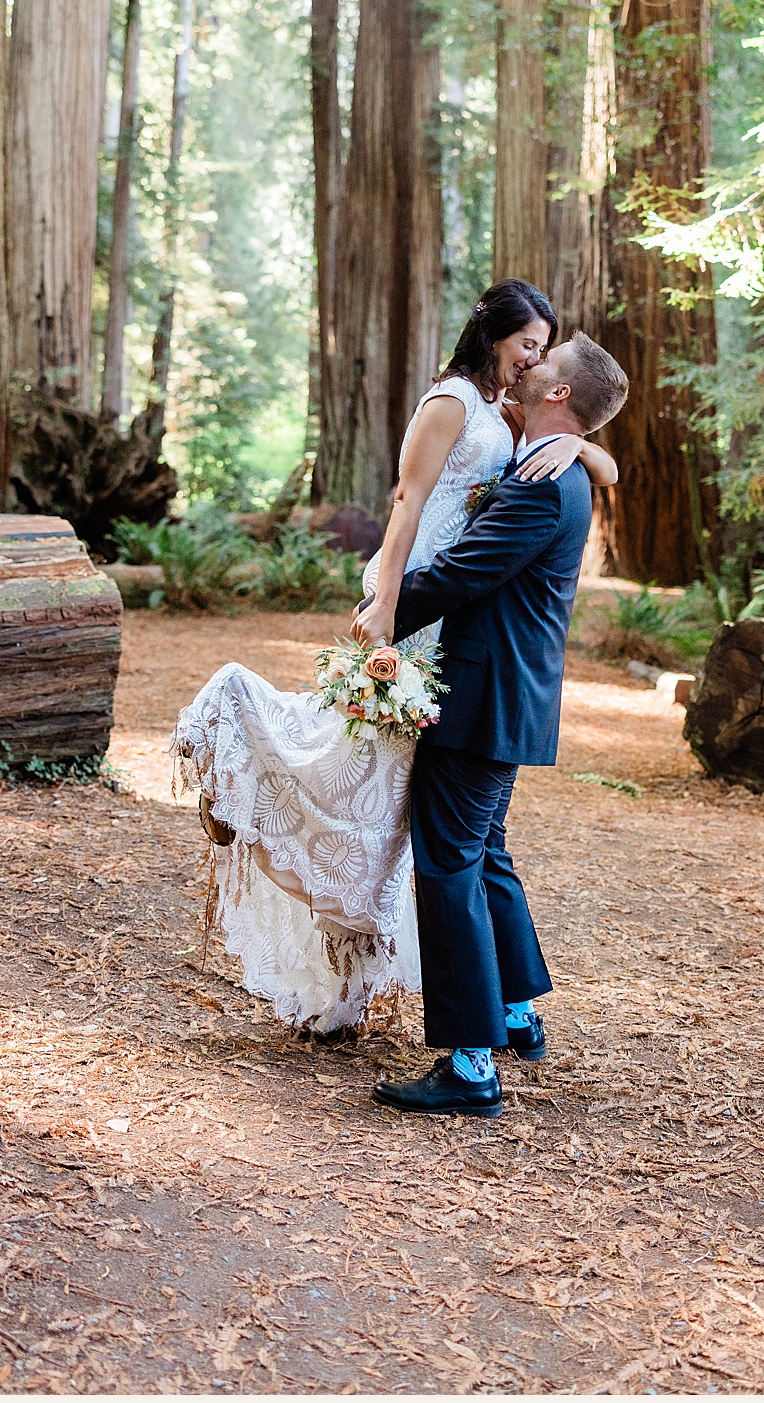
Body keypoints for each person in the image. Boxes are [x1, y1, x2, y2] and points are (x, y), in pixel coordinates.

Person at [173, 281, 618, 1035]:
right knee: (391, 801)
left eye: (544, 351)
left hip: (454, 623)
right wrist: (384, 602)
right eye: (527, 345)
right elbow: (407, 504)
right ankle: (236, 750)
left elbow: (583, 451)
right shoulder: (452, 401)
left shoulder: (516, 419)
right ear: (496, 336)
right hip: (422, 613)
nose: (532, 360)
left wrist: (581, 443)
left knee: (450, 838)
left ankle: (492, 1022)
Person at [361, 332, 629, 1117]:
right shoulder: (552, 465)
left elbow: (462, 573)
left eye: (549, 359)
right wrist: (584, 452)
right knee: (485, 852)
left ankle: (471, 1062)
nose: (532, 362)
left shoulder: (545, 484)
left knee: (447, 863)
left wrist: (383, 605)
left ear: (558, 395)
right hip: (510, 696)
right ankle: (514, 1012)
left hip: (484, 701)